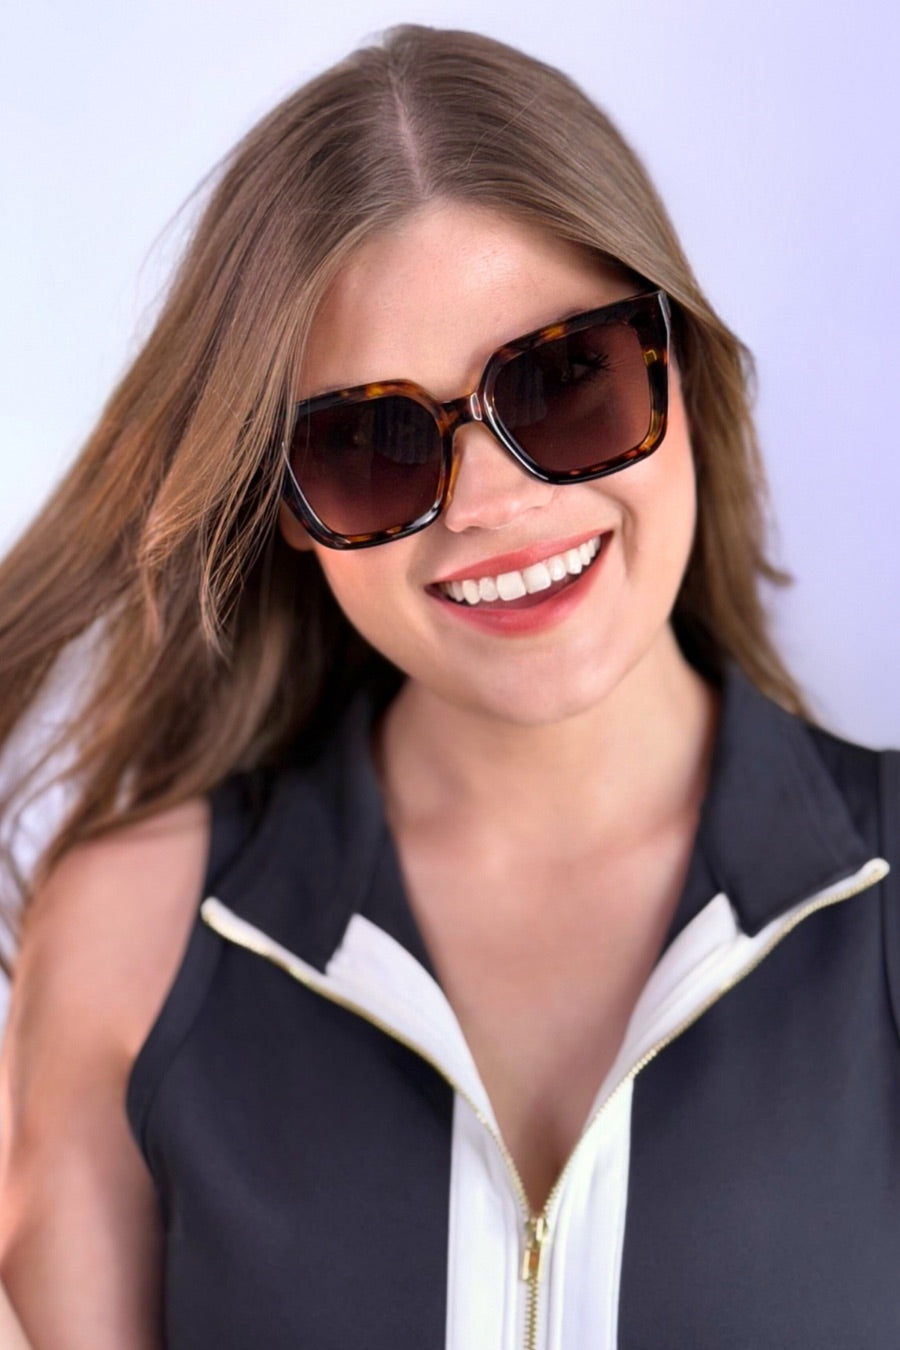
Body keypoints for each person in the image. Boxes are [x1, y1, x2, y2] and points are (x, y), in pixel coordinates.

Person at [0, 24, 898, 1350]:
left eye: (564, 379)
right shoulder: (137, 936)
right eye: (371, 442)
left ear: (680, 369)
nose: (489, 505)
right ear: (284, 506)